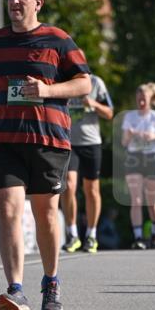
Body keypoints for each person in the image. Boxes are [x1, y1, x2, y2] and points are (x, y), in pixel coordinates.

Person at [0, 0, 91, 310]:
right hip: (1, 136)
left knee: (46, 214)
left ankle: (51, 280)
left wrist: (49, 90)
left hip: (46, 138)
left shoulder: (57, 39)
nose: (15, 2)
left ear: (38, 2)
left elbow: (84, 84)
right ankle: (15, 289)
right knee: (7, 212)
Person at [60, 73, 114, 253]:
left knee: (91, 190)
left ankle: (91, 234)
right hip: (69, 142)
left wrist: (94, 104)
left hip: (91, 143)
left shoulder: (96, 82)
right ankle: (72, 233)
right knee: (68, 184)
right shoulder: (64, 80)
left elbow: (109, 113)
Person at [121, 85, 155, 248]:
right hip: (134, 158)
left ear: (150, 99)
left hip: (152, 159)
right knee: (136, 200)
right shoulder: (129, 116)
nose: (141, 100)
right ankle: (138, 237)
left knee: (151, 200)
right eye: (139, 96)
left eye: (144, 97)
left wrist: (154, 136)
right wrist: (131, 135)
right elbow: (124, 142)